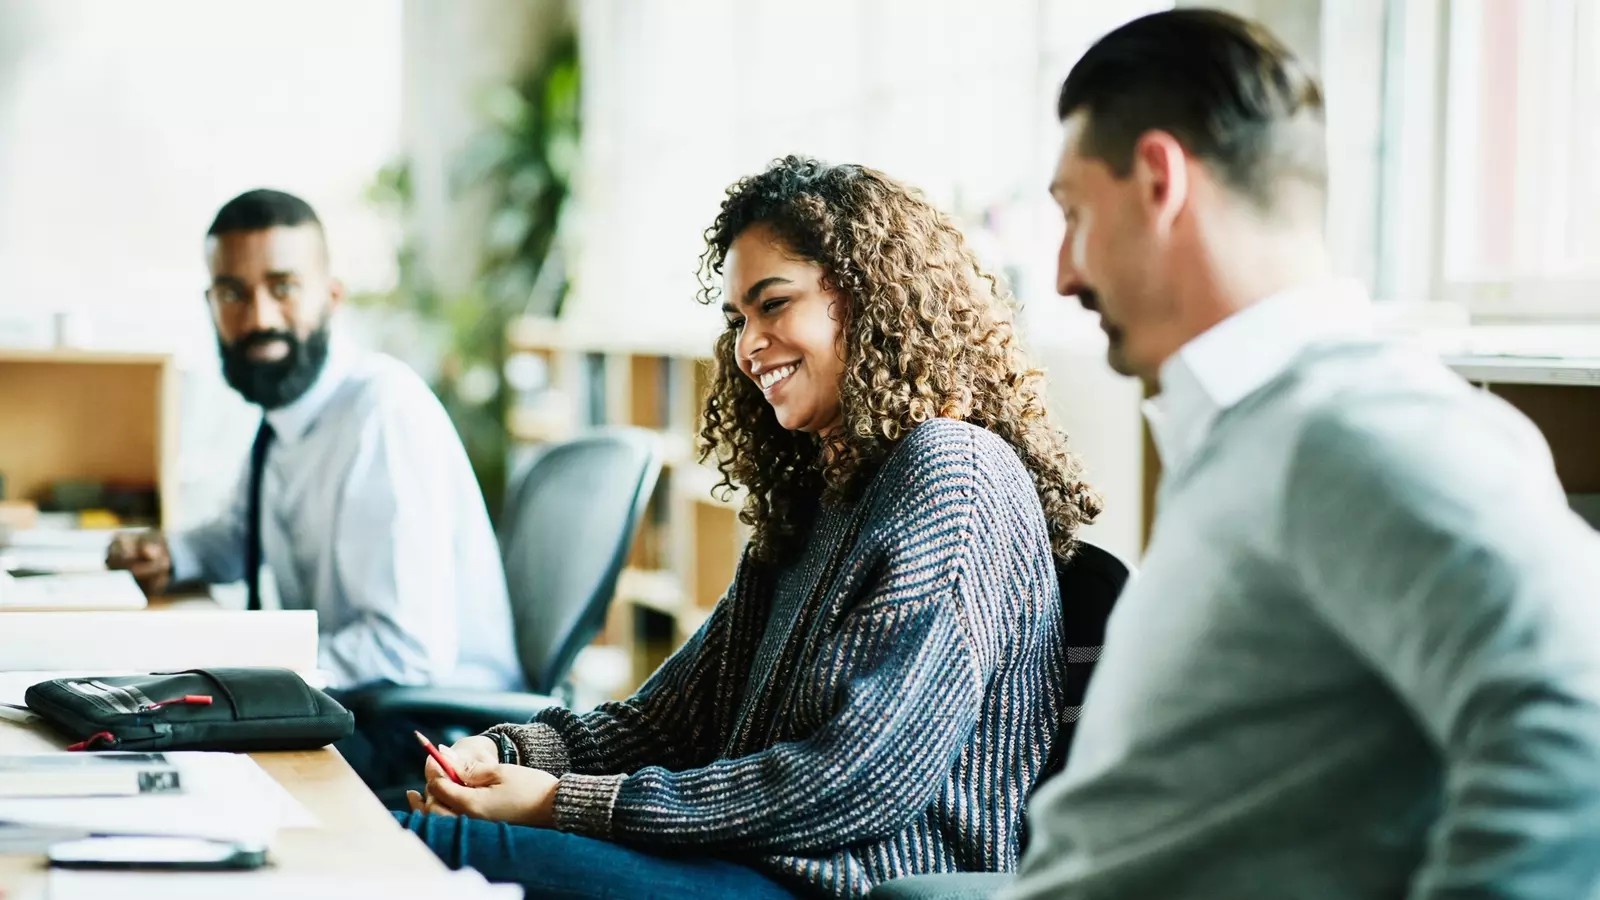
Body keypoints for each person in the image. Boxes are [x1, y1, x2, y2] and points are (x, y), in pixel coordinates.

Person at [393, 157, 1104, 900]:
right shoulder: (822, 498)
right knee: (400, 834)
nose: (748, 345)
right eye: (738, 319)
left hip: (849, 888)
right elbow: (667, 725)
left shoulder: (953, 474)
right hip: (750, 867)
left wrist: (556, 803)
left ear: (866, 299)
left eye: (773, 304)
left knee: (422, 849)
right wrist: (506, 751)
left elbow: (860, 779)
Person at [1007, 10, 1600, 900]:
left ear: (1161, 180)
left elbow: (1577, 713)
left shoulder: (1356, 425)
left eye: (1074, 214)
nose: (1061, 272)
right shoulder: (1261, 433)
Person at [106, 190, 523, 774]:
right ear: (211, 304)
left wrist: (252, 665)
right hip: (357, 702)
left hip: (434, 732)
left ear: (331, 296)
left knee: (184, 758)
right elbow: (240, 535)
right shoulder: (285, 418)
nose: (259, 317)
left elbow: (408, 649)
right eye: (233, 293)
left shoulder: (380, 413)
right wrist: (170, 553)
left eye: (283, 286)